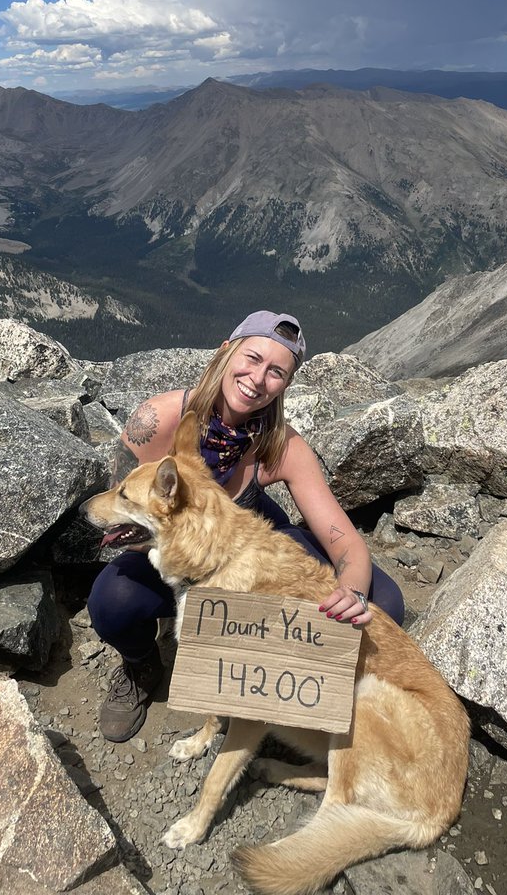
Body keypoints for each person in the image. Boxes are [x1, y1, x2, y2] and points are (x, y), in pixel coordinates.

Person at [87, 310, 405, 742]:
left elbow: (345, 541)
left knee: (382, 599)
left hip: (242, 543)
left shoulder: (281, 445)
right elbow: (121, 506)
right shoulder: (159, 419)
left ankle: (285, 674)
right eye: (252, 358)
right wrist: (185, 557)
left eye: (276, 372)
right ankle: (141, 665)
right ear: (226, 351)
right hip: (169, 552)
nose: (258, 379)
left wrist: (349, 591)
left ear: (286, 386)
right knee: (112, 601)